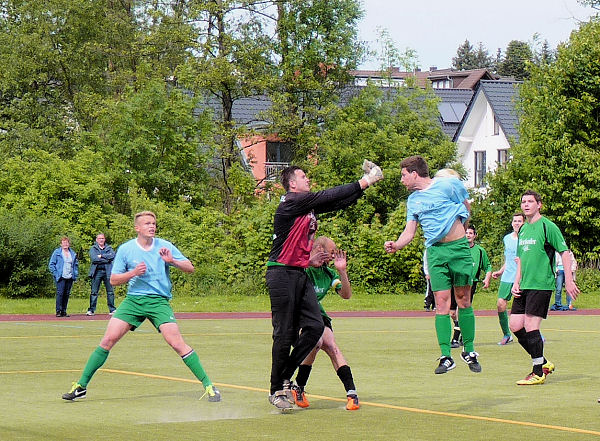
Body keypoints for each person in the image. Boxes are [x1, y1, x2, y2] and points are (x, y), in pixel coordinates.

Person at [62, 211, 220, 402]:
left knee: (176, 343)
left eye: (153, 223)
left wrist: (172, 261)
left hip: (158, 301)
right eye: (147, 223)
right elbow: (113, 280)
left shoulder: (164, 246)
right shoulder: (127, 249)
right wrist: (133, 273)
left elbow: (190, 267)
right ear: (137, 228)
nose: (152, 226)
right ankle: (81, 386)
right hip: (134, 301)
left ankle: (209, 385)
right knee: (107, 340)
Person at [266, 161, 383, 410]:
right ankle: (277, 389)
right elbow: (326, 195)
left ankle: (285, 375)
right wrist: (366, 180)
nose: (307, 179)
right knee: (284, 333)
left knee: (315, 326)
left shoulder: (306, 208)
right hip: (281, 273)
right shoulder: (291, 201)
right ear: (291, 184)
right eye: (303, 176)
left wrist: (364, 187)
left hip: (299, 274)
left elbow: (338, 201)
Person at [384, 156, 480, 375]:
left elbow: (466, 206)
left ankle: (470, 350)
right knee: (441, 303)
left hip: (458, 250)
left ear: (414, 173)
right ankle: (446, 356)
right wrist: (396, 245)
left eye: (403, 175)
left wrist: (459, 228)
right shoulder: (413, 201)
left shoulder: (447, 184)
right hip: (435, 252)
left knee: (464, 299)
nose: (402, 180)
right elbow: (410, 231)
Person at [510, 190, 580, 385]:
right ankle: (543, 363)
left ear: (539, 204)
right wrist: (516, 282)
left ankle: (537, 372)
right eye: (523, 201)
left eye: (530, 201)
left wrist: (569, 281)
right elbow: (520, 260)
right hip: (524, 284)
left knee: (532, 326)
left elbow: (564, 252)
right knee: (515, 325)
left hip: (541, 284)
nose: (526, 205)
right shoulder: (522, 229)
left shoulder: (548, 226)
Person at [291, 236, 360, 411]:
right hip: (299, 314)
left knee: (330, 345)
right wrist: (307, 262)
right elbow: (289, 275)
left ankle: (351, 393)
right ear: (320, 250)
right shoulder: (303, 268)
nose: (334, 255)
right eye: (332, 252)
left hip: (317, 314)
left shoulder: (328, 273)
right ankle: (297, 386)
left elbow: (346, 295)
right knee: (317, 342)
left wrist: (342, 271)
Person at [450, 225, 492, 348]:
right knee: (452, 313)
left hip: (470, 283)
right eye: (466, 233)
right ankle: (463, 330)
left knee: (460, 309)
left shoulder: (480, 251)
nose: (468, 235)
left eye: (470, 233)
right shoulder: (457, 249)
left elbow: (487, 266)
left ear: (474, 235)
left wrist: (487, 278)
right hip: (456, 282)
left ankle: (455, 339)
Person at [491, 213, 525, 345]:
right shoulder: (507, 238)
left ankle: (534, 332)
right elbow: (508, 259)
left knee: (526, 307)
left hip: (523, 277)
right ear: (512, 223)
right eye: (515, 221)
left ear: (524, 223)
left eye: (520, 221)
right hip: (507, 276)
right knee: (500, 303)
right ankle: (507, 334)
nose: (517, 223)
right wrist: (500, 271)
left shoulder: (527, 239)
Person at [49, 236, 79, 317]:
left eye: (67, 242)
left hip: (70, 277)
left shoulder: (72, 253)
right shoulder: (57, 252)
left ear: (69, 244)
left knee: (66, 294)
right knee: (60, 293)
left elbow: (76, 265)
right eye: (64, 242)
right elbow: (51, 264)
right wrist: (56, 274)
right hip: (60, 276)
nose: (65, 244)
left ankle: (64, 311)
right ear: (61, 244)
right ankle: (58, 311)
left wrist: (75, 274)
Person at [87, 233, 116, 316]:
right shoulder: (93, 248)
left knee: (110, 291)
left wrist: (101, 256)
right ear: (97, 240)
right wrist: (106, 259)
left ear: (104, 239)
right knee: (94, 292)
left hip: (108, 272)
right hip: (97, 272)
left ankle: (112, 309)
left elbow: (112, 256)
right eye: (99, 238)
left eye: (102, 238)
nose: (101, 240)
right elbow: (94, 259)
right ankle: (91, 310)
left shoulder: (109, 248)